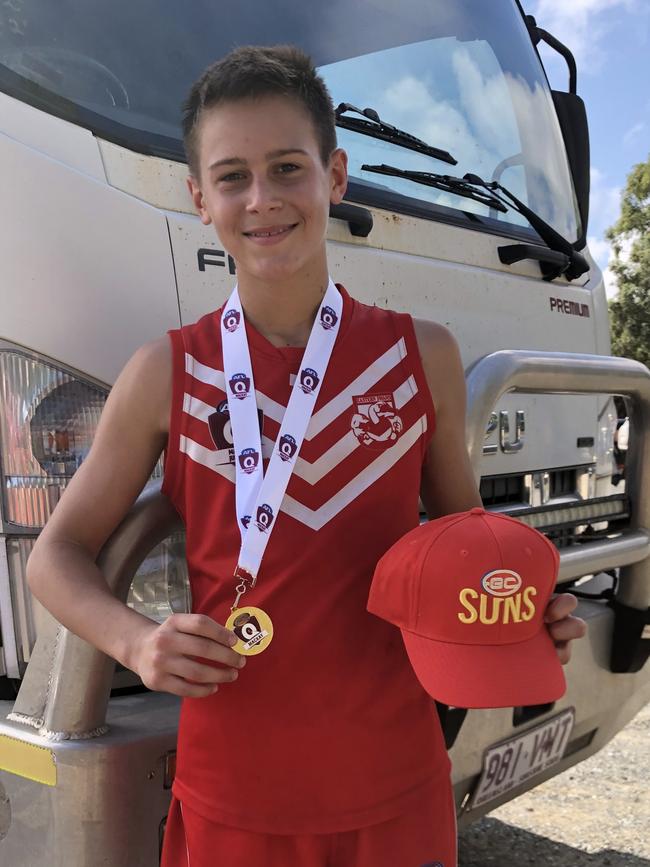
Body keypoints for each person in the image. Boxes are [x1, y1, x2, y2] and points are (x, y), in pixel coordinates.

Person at [26, 45, 587, 867]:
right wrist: (136, 641)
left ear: (335, 176)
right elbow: (55, 557)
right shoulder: (165, 373)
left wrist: (523, 613)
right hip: (233, 797)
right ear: (199, 197)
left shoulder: (420, 356)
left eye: (288, 168)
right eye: (232, 177)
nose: (263, 200)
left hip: (397, 786)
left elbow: (467, 551)